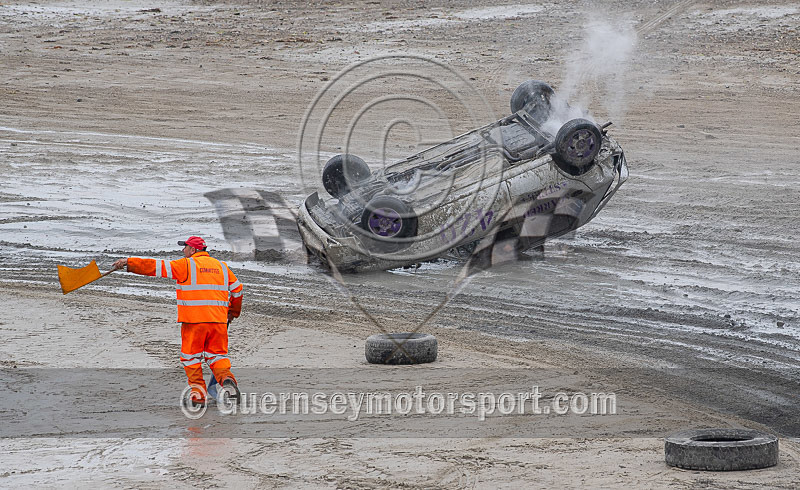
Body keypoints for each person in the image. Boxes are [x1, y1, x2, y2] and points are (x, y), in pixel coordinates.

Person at [112, 236, 243, 407]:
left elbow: (154, 267)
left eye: (185, 247)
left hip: (194, 322)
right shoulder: (222, 267)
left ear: (193, 250)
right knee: (217, 356)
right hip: (218, 322)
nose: (183, 251)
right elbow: (238, 290)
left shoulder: (185, 265)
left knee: (191, 359)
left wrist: (128, 263)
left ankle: (198, 396)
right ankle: (227, 381)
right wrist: (232, 313)